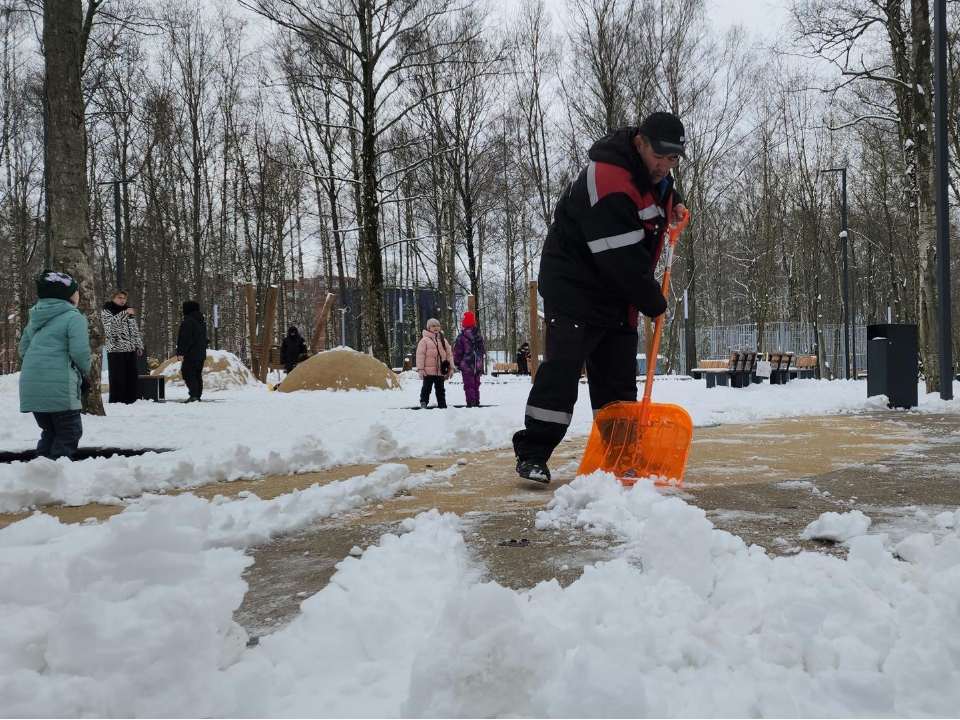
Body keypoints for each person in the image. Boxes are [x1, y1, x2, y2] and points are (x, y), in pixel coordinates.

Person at [512, 112, 688, 483]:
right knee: (562, 373)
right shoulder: (607, 180)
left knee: (618, 381)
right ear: (639, 142)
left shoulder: (649, 170)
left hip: (614, 292)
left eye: (673, 159)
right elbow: (622, 263)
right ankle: (533, 452)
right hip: (575, 287)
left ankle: (622, 454)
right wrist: (654, 303)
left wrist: (673, 201)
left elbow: (659, 188)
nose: (665, 165)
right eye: (660, 156)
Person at [18, 270, 91, 460]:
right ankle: (58, 472)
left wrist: (40, 365)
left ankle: (41, 470)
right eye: (76, 290)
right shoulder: (74, 318)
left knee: (49, 431)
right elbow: (80, 352)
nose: (79, 294)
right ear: (67, 295)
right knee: (69, 432)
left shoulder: (35, 318)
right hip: (60, 386)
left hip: (32, 385)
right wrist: (85, 369)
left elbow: (23, 349)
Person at [101, 289, 144, 404]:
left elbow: (134, 330)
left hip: (130, 348)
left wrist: (139, 345)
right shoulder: (107, 310)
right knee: (118, 376)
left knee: (132, 374)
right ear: (113, 298)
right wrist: (125, 314)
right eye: (119, 298)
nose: (122, 300)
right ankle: (117, 399)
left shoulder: (128, 312)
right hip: (116, 348)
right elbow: (109, 325)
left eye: (124, 298)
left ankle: (131, 398)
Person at [416, 318, 454, 409]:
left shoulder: (443, 340)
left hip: (440, 371)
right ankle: (424, 402)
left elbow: (449, 355)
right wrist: (420, 369)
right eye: (433, 326)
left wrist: (451, 368)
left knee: (441, 390)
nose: (436, 327)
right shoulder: (424, 341)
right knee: (426, 389)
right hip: (428, 371)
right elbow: (420, 355)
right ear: (429, 328)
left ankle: (442, 404)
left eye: (437, 326)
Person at [176, 300, 207, 402]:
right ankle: (197, 395)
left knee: (188, 373)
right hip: (200, 353)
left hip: (190, 353)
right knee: (197, 374)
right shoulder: (201, 322)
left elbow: (186, 339)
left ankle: (193, 395)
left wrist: (181, 353)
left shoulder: (188, 322)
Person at [454, 311, 486, 407]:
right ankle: (477, 401)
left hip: (466, 364)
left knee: (468, 384)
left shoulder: (461, 336)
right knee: (476, 384)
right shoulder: (479, 336)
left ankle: (471, 402)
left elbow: (458, 351)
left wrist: (457, 362)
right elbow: (483, 350)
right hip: (478, 364)